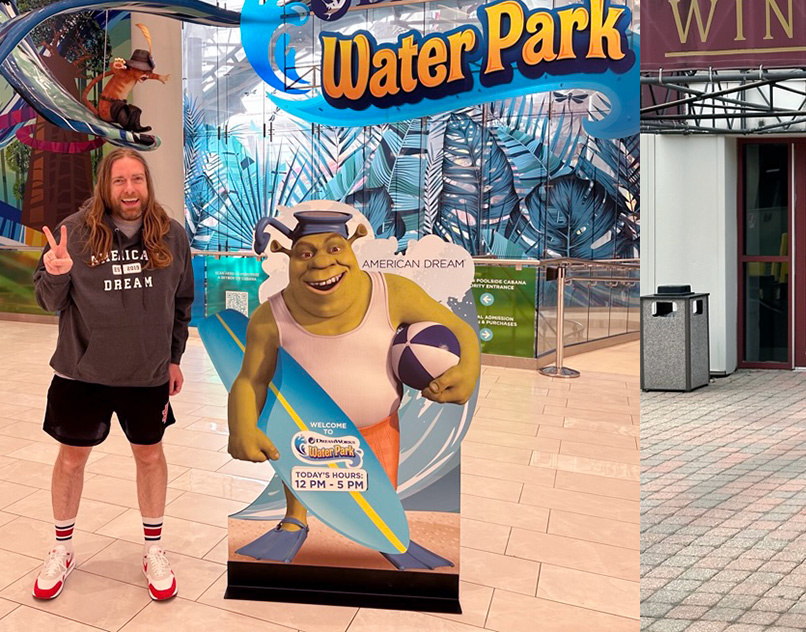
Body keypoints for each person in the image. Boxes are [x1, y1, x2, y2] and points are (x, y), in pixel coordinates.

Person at [226, 210, 480, 568]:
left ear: (353, 246)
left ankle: (388, 532)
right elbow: (251, 380)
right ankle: (295, 519)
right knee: (301, 472)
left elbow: (459, 329)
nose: (322, 263)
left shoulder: (392, 292)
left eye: (334, 248)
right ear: (289, 258)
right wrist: (242, 426)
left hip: (377, 425)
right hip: (303, 430)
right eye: (305, 254)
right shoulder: (270, 318)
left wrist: (468, 369)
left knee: (380, 479)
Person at [31, 148, 194, 601]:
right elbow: (48, 302)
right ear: (106, 185)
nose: (129, 189)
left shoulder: (172, 236)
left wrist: (175, 358)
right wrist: (56, 272)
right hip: (82, 373)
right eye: (119, 180)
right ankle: (62, 549)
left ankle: (154, 548)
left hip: (147, 373)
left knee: (149, 456)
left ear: (147, 184)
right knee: (71, 459)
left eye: (137, 180)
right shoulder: (74, 234)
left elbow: (182, 304)